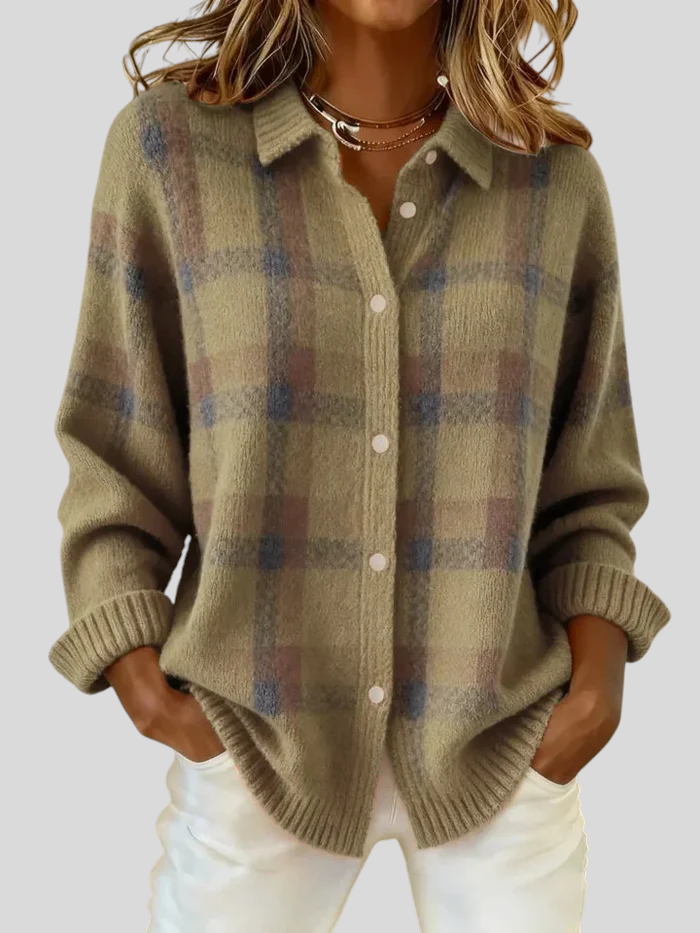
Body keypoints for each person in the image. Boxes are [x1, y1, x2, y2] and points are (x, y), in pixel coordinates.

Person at [48, 1, 671, 930]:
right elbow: (116, 444)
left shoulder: (554, 183)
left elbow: (590, 481)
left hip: (501, 740)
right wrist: (141, 678)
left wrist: (595, 692)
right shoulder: (169, 153)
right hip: (257, 739)